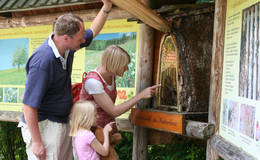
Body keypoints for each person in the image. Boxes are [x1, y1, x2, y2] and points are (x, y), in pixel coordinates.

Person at [18, 1, 113, 160]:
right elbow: (28, 106)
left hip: (61, 121)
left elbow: (93, 31)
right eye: (80, 39)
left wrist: (107, 7)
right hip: (43, 126)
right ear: (66, 38)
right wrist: (36, 142)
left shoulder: (68, 48)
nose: (84, 41)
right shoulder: (43, 62)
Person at [79, 45, 160, 132]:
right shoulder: (93, 82)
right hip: (90, 132)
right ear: (115, 65)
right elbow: (113, 111)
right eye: (124, 65)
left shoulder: (111, 75)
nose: (127, 68)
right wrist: (140, 95)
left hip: (105, 130)